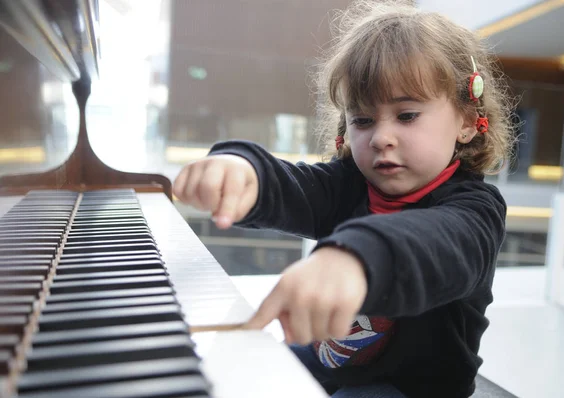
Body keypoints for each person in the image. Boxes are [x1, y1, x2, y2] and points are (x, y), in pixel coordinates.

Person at [174, 0, 515, 396]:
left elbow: (438, 242)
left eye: (406, 115)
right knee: (233, 365)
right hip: (329, 357)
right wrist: (243, 170)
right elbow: (291, 185)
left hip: (411, 387)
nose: (381, 137)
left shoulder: (476, 210)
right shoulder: (347, 184)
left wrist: (357, 258)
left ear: (468, 122)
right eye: (363, 120)